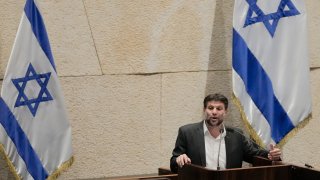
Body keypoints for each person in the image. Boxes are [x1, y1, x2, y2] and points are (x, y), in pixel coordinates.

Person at [170, 93, 281, 173]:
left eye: (219, 109)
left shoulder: (236, 135)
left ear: (225, 112)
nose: (214, 112)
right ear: (204, 110)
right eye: (210, 108)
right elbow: (173, 163)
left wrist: (270, 155)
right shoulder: (187, 133)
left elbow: (253, 155)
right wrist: (179, 159)